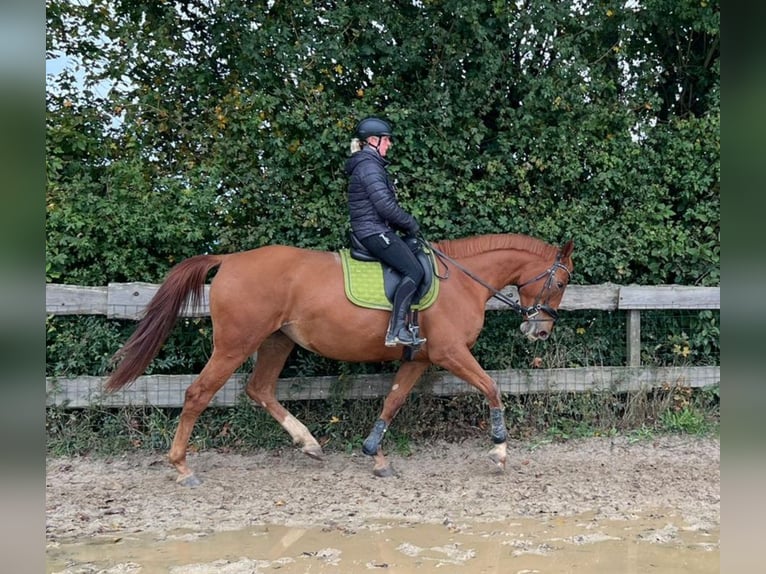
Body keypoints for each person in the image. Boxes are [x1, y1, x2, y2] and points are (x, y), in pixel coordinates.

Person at [345, 116, 426, 347]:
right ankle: (397, 329)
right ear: (373, 141)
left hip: (374, 228)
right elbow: (385, 206)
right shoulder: (369, 166)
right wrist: (410, 224)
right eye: (386, 140)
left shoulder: (368, 165)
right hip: (372, 231)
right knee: (414, 270)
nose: (389, 144)